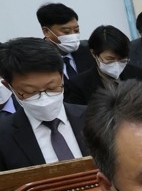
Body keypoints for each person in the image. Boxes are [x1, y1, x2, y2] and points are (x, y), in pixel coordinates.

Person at [0, 38, 87, 170]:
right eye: (30, 92)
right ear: (9, 86)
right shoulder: (4, 137)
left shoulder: (95, 117)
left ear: (62, 76)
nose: (44, 99)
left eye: (52, 88)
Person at [65, 26, 142, 106]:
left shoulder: (141, 76)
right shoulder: (78, 85)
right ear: (94, 54)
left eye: (122, 59)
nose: (116, 64)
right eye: (110, 59)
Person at [36, 3, 92, 80]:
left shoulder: (89, 50)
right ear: (46, 32)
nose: (73, 35)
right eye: (66, 32)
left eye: (76, 30)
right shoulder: (35, 61)